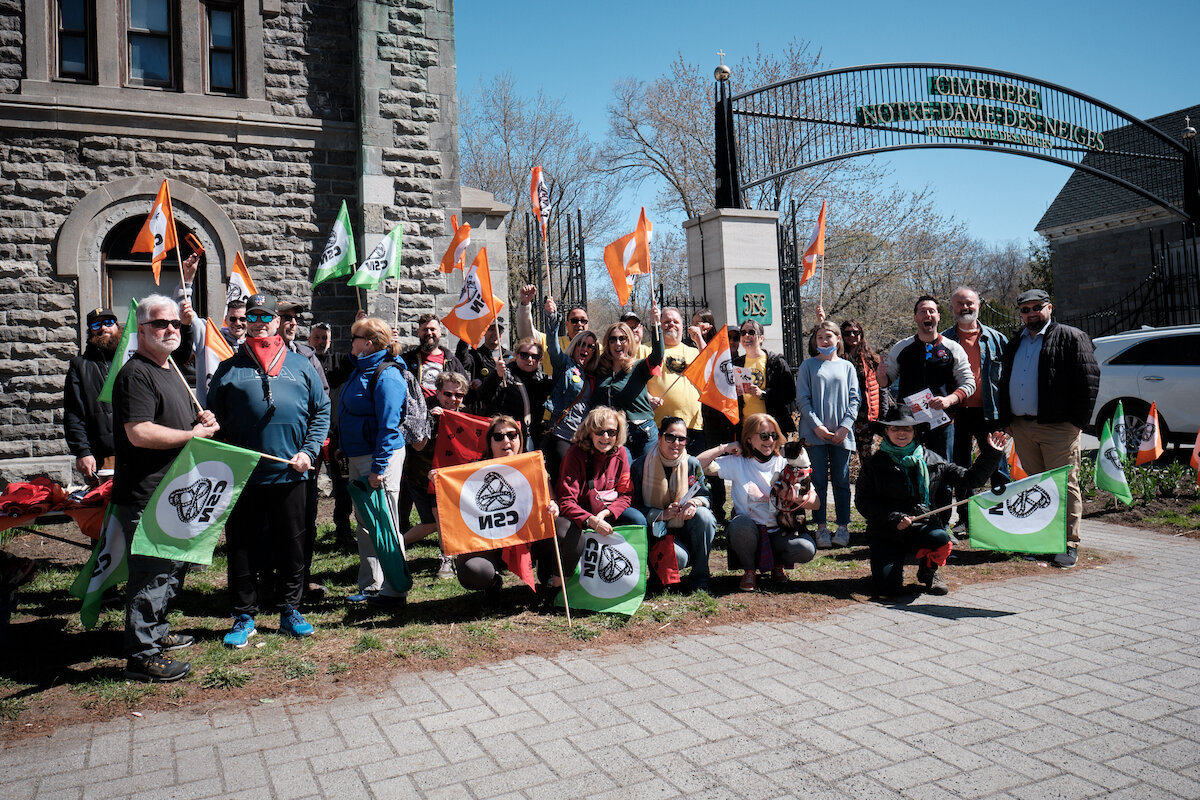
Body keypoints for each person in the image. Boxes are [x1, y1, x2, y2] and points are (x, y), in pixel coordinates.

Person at [207, 293, 330, 646]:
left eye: (267, 317)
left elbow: (321, 411)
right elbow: (214, 416)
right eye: (253, 317)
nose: (260, 322)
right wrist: (207, 422)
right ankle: (243, 616)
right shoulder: (229, 369)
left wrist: (309, 451)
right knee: (242, 547)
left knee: (293, 545)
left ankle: (291, 609)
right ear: (246, 323)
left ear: (278, 322)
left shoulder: (301, 364)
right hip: (243, 474)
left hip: (292, 473)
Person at [111, 294, 220, 681]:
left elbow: (178, 420)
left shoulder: (170, 368)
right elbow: (139, 433)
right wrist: (191, 434)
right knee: (153, 574)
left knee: (172, 571)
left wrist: (201, 419)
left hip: (173, 491)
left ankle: (156, 633)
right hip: (148, 492)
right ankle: (142, 655)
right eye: (161, 323)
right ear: (142, 330)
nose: (171, 329)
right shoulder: (136, 373)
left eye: (175, 323)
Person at [855, 405, 1005, 597]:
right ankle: (884, 572)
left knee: (941, 538)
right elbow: (863, 502)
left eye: (907, 428)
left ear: (914, 431)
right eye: (895, 428)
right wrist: (894, 518)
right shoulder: (873, 465)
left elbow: (970, 479)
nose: (901, 433)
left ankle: (928, 571)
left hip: (922, 527)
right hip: (886, 531)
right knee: (888, 589)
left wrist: (991, 454)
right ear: (886, 431)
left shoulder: (932, 460)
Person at [998, 288, 1100, 568]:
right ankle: (1044, 541)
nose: (1031, 314)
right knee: (1038, 488)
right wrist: (1007, 420)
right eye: (1025, 310)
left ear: (1050, 308)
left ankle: (1068, 543)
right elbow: (1004, 380)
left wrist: (1077, 423)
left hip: (1059, 428)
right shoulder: (1014, 342)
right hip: (1022, 427)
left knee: (1064, 486)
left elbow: (1088, 382)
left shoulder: (1071, 337)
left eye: (1036, 308)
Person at [335, 316, 413, 606]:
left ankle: (395, 590)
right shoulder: (361, 368)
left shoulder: (387, 375)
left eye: (354, 338)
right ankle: (371, 585)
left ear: (367, 344)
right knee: (366, 523)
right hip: (359, 456)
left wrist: (379, 468)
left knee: (385, 523)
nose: (350, 343)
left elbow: (389, 425)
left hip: (380, 459)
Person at [699, 413, 819, 592]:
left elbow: (816, 502)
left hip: (779, 531)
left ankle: (778, 565)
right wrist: (725, 447)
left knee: (806, 548)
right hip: (749, 533)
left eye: (774, 435)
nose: (770, 440)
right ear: (748, 439)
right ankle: (749, 570)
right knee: (740, 524)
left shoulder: (785, 462)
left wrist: (793, 498)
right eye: (764, 436)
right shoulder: (737, 463)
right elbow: (696, 465)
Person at [455, 415, 560, 601]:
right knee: (470, 569)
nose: (506, 441)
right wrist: (439, 479)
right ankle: (492, 582)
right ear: (490, 442)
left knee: (564, 528)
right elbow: (455, 498)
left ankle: (549, 570)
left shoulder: (533, 466)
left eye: (512, 435)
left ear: (520, 439)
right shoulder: (473, 471)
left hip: (528, 540)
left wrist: (553, 506)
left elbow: (552, 501)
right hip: (490, 545)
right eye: (499, 436)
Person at [942, 286, 1009, 530]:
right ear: (952, 308)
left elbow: (1008, 380)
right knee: (960, 468)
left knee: (997, 465)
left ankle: (1001, 517)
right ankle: (966, 519)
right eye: (959, 304)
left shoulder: (997, 339)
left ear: (979, 304)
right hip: (956, 414)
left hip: (990, 413)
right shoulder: (944, 340)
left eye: (969, 303)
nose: (965, 307)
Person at [878, 295, 975, 460]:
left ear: (938, 316)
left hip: (942, 423)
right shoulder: (901, 348)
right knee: (910, 472)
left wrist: (949, 400)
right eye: (922, 311)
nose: (927, 315)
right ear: (915, 317)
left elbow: (969, 383)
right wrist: (880, 376)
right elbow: (886, 381)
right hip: (909, 424)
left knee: (942, 475)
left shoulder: (953, 348)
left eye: (931, 311)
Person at [278, 300, 332, 597]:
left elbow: (322, 399)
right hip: (271, 451)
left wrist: (312, 443)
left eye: (294, 318)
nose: (291, 323)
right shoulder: (254, 357)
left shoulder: (308, 356)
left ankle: (300, 579)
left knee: (305, 518)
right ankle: (270, 579)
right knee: (268, 522)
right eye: (285, 317)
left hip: (304, 452)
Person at [555, 407, 646, 574]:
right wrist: (592, 520)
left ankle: (630, 575)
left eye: (611, 432)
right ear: (590, 432)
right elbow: (566, 501)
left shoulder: (622, 453)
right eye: (599, 431)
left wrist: (606, 514)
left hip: (606, 512)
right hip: (581, 515)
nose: (605, 437)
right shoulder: (575, 454)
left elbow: (626, 494)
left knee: (637, 519)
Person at [631, 417, 717, 592]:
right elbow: (633, 508)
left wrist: (694, 502)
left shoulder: (692, 464)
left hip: (685, 526)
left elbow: (706, 497)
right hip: (656, 531)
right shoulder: (640, 465)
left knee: (705, 516)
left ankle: (700, 576)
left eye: (682, 439)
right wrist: (661, 514)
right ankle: (660, 574)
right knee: (679, 558)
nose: (676, 443)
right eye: (670, 437)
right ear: (660, 437)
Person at [795, 321, 860, 549]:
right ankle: (821, 527)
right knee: (818, 482)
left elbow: (855, 399)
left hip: (842, 435)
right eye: (820, 337)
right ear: (815, 341)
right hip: (815, 436)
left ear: (838, 339)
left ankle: (843, 527)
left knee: (842, 482)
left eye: (829, 336)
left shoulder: (847, 367)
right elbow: (802, 399)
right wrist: (817, 427)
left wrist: (845, 427)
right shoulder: (808, 366)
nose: (825, 340)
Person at [402, 371, 470, 580]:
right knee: (435, 521)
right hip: (420, 475)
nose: (453, 400)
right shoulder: (423, 411)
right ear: (438, 393)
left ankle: (393, 547)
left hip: (447, 479)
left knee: (437, 520)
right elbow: (415, 444)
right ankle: (446, 559)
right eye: (448, 394)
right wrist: (430, 420)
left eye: (458, 395)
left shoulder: (464, 414)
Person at [541, 307, 602, 480]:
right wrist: (552, 317)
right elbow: (553, 347)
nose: (585, 349)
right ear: (575, 346)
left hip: (585, 439)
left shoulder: (594, 374)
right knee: (567, 478)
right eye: (582, 344)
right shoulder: (564, 365)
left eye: (590, 346)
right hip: (563, 435)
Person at [309, 321, 355, 546]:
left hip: (337, 434)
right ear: (309, 339)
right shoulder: (304, 361)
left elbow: (357, 356)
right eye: (316, 338)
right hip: (312, 435)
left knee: (343, 487)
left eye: (323, 339)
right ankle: (307, 530)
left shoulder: (339, 361)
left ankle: (343, 530)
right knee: (308, 486)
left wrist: (358, 325)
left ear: (330, 340)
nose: (319, 342)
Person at [595, 311, 664, 459]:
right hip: (614, 434)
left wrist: (656, 324)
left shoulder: (639, 367)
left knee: (644, 476)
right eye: (613, 340)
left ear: (629, 342)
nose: (618, 343)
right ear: (607, 343)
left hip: (642, 432)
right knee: (623, 477)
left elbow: (657, 356)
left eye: (622, 339)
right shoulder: (600, 369)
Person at [64, 307, 120, 485]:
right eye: (97, 324)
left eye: (109, 323)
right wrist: (82, 452)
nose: (104, 328)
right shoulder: (79, 366)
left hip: (140, 452)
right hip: (104, 456)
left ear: (117, 327)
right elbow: (73, 413)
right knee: (106, 510)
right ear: (90, 331)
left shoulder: (132, 359)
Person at [478, 337, 554, 449]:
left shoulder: (541, 379)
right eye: (524, 355)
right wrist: (496, 376)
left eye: (535, 357)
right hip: (506, 438)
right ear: (516, 355)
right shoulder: (505, 374)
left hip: (531, 437)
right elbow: (483, 396)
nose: (529, 359)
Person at [649, 308, 703, 455]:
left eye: (675, 322)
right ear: (658, 325)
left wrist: (699, 338)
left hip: (692, 426)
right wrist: (648, 398)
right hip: (659, 427)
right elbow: (635, 384)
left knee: (691, 475)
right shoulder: (645, 350)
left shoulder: (694, 351)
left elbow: (711, 367)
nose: (671, 324)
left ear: (682, 327)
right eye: (666, 322)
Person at [732, 320, 796, 437]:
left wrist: (763, 394)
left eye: (751, 332)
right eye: (743, 333)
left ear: (761, 338)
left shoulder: (776, 362)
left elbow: (790, 394)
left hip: (772, 428)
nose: (746, 336)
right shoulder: (737, 363)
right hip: (746, 428)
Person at [837, 315, 888, 461]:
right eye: (847, 333)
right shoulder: (838, 359)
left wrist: (883, 413)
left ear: (861, 334)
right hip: (844, 416)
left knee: (868, 458)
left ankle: (870, 484)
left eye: (855, 332)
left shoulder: (872, 359)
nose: (852, 336)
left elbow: (882, 387)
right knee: (843, 458)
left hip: (866, 416)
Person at [515, 284, 591, 377]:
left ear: (588, 324)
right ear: (567, 324)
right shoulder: (551, 342)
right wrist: (525, 305)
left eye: (583, 321)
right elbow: (526, 334)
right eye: (574, 321)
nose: (579, 324)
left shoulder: (598, 348)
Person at [402, 314, 467, 399]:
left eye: (433, 329)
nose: (429, 333)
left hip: (443, 409)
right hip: (417, 409)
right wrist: (391, 346)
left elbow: (465, 388)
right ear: (418, 332)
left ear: (440, 332)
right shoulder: (408, 359)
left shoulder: (452, 361)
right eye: (425, 329)